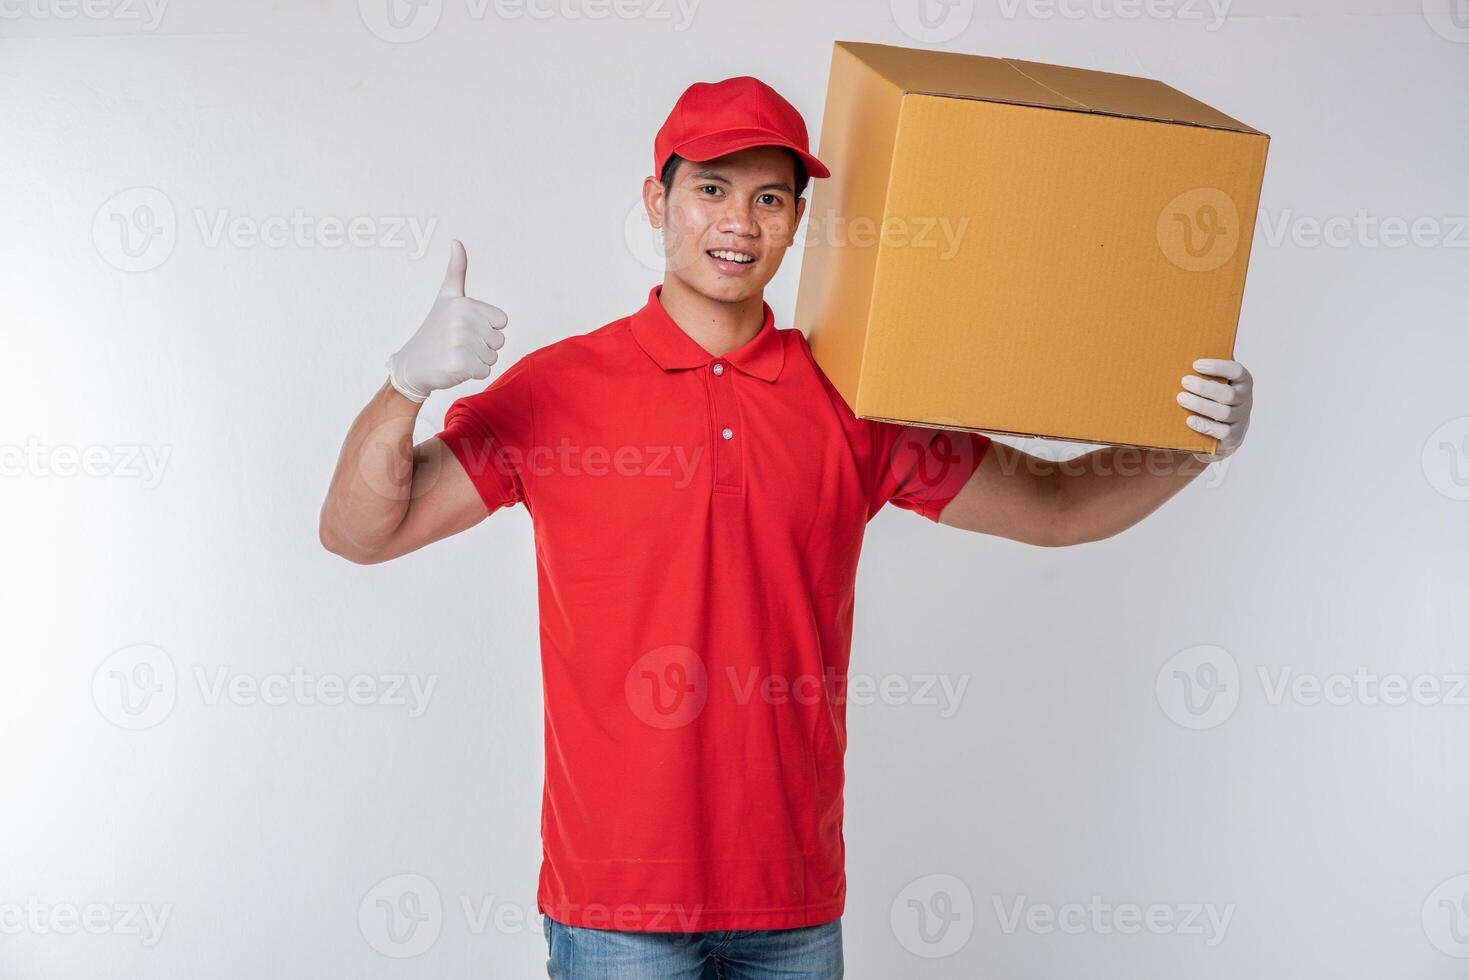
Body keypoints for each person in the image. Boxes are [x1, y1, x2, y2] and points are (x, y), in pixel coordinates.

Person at [319, 74, 1255, 980]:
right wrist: (403, 388)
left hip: (792, 908)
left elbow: (1054, 511)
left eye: (770, 198)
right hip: (614, 909)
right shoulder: (557, 392)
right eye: (712, 190)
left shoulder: (853, 396)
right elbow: (360, 533)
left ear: (799, 222)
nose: (738, 222)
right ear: (658, 199)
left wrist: (1187, 448)